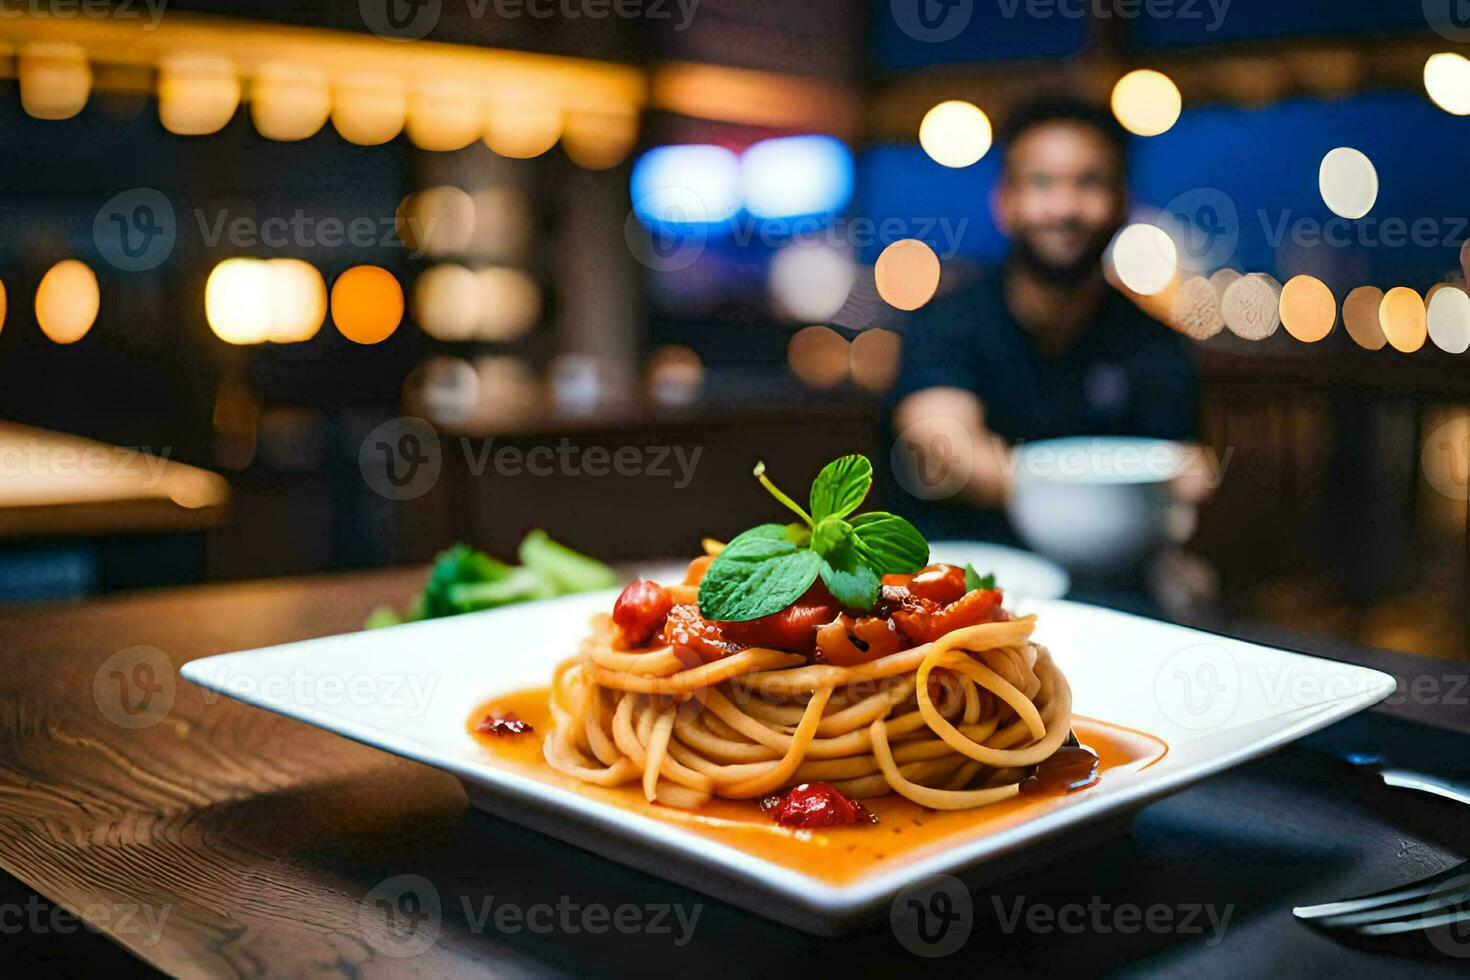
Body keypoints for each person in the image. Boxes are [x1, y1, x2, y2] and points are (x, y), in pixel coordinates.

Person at [889, 94, 1200, 540]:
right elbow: (942, 447)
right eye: (1041, 182)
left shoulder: (1154, 344)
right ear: (1005, 202)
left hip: (1107, 575)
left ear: (1122, 203)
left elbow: (1187, 473)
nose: (1064, 208)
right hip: (956, 571)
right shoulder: (948, 322)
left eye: (1089, 182)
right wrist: (1103, 495)